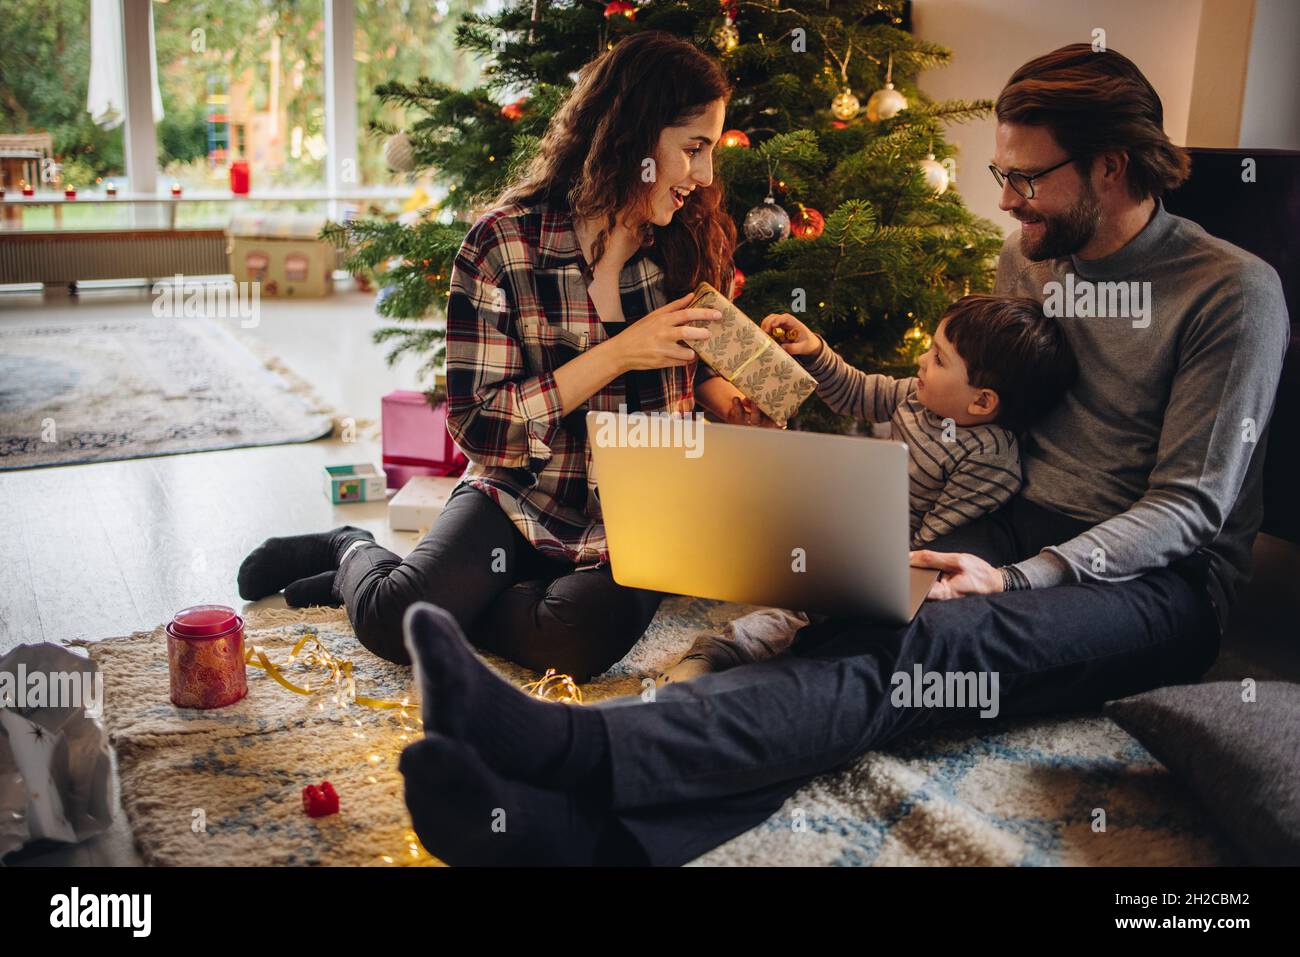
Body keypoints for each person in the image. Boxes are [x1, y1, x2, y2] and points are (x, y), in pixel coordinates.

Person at [396, 43, 1290, 866]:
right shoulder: (1034, 256)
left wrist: (1019, 578)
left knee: (918, 654)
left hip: (1148, 582)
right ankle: (585, 839)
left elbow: (1189, 511)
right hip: (1007, 522)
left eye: (1025, 178)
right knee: (834, 629)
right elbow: (975, 413)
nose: (1007, 202)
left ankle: (567, 745)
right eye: (999, 175)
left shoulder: (1230, 293)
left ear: (1111, 165)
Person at [235, 32, 772, 680]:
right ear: (636, 135)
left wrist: (733, 407)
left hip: (639, 516)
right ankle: (348, 548)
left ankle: (454, 606)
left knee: (573, 645)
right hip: (519, 492)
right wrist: (616, 354)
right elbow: (478, 426)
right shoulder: (502, 245)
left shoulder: (688, 242)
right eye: (695, 148)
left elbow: (705, 372)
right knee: (393, 621)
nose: (707, 175)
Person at [659, 293, 1078, 684]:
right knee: (785, 575)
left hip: (887, 567)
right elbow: (856, 392)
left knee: (805, 623)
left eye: (938, 358)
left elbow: (935, 545)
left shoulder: (990, 460)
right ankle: (719, 648)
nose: (921, 359)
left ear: (982, 402)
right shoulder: (914, 398)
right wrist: (816, 352)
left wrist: (859, 566)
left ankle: (739, 660)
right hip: (856, 539)